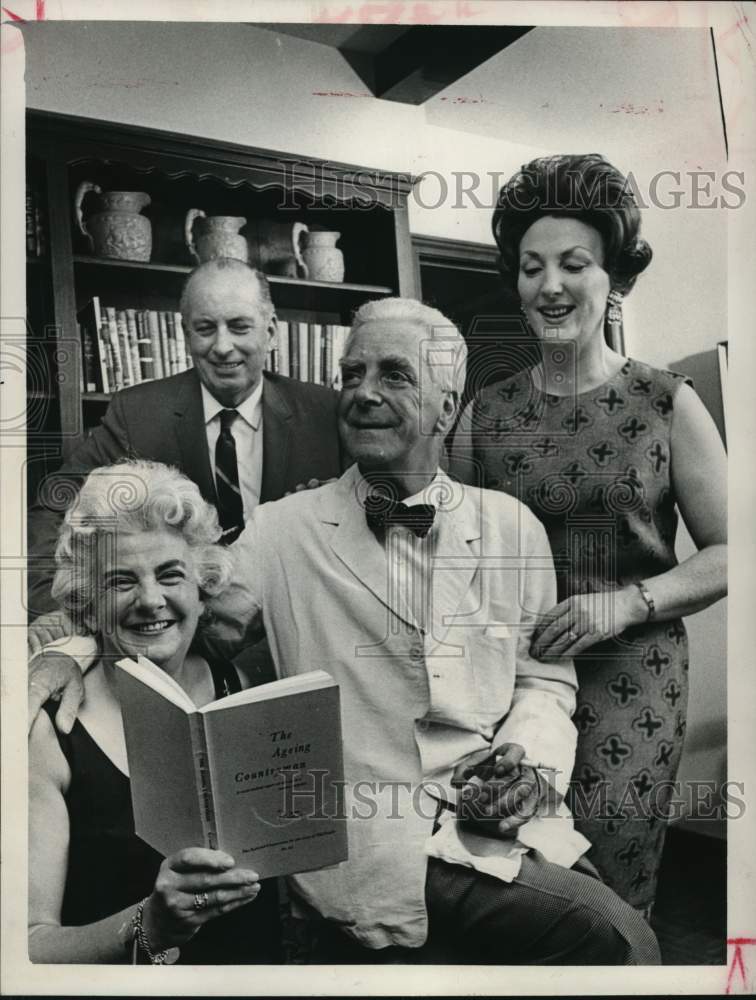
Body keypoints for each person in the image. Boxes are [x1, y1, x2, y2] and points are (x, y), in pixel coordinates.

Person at [28, 297, 660, 964]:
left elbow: (542, 681)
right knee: (618, 939)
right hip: (369, 838)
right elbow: (164, 603)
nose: (363, 393)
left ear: (447, 407)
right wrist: (70, 652)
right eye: (351, 375)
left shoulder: (512, 527)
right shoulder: (282, 531)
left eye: (394, 375)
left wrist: (527, 765)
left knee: (610, 931)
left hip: (494, 823)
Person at [448, 154, 727, 914]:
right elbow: (453, 553)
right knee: (512, 877)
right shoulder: (485, 413)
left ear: (616, 278)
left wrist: (629, 603)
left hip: (631, 678)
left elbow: (736, 551)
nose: (550, 286)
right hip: (514, 679)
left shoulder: (668, 402)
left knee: (605, 883)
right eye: (532, 267)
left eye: (574, 264)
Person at [28, 460, 281, 964]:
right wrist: (151, 926)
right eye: (121, 581)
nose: (151, 600)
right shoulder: (49, 729)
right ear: (87, 604)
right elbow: (27, 948)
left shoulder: (245, 690)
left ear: (202, 587)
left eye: (171, 575)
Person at [27, 256, 341, 639]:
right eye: (205, 328)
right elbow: (51, 508)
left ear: (271, 331)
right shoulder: (138, 413)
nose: (223, 347)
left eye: (239, 326)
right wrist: (60, 612)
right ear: (185, 333)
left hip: (295, 628)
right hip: (174, 636)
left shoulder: (327, 413)